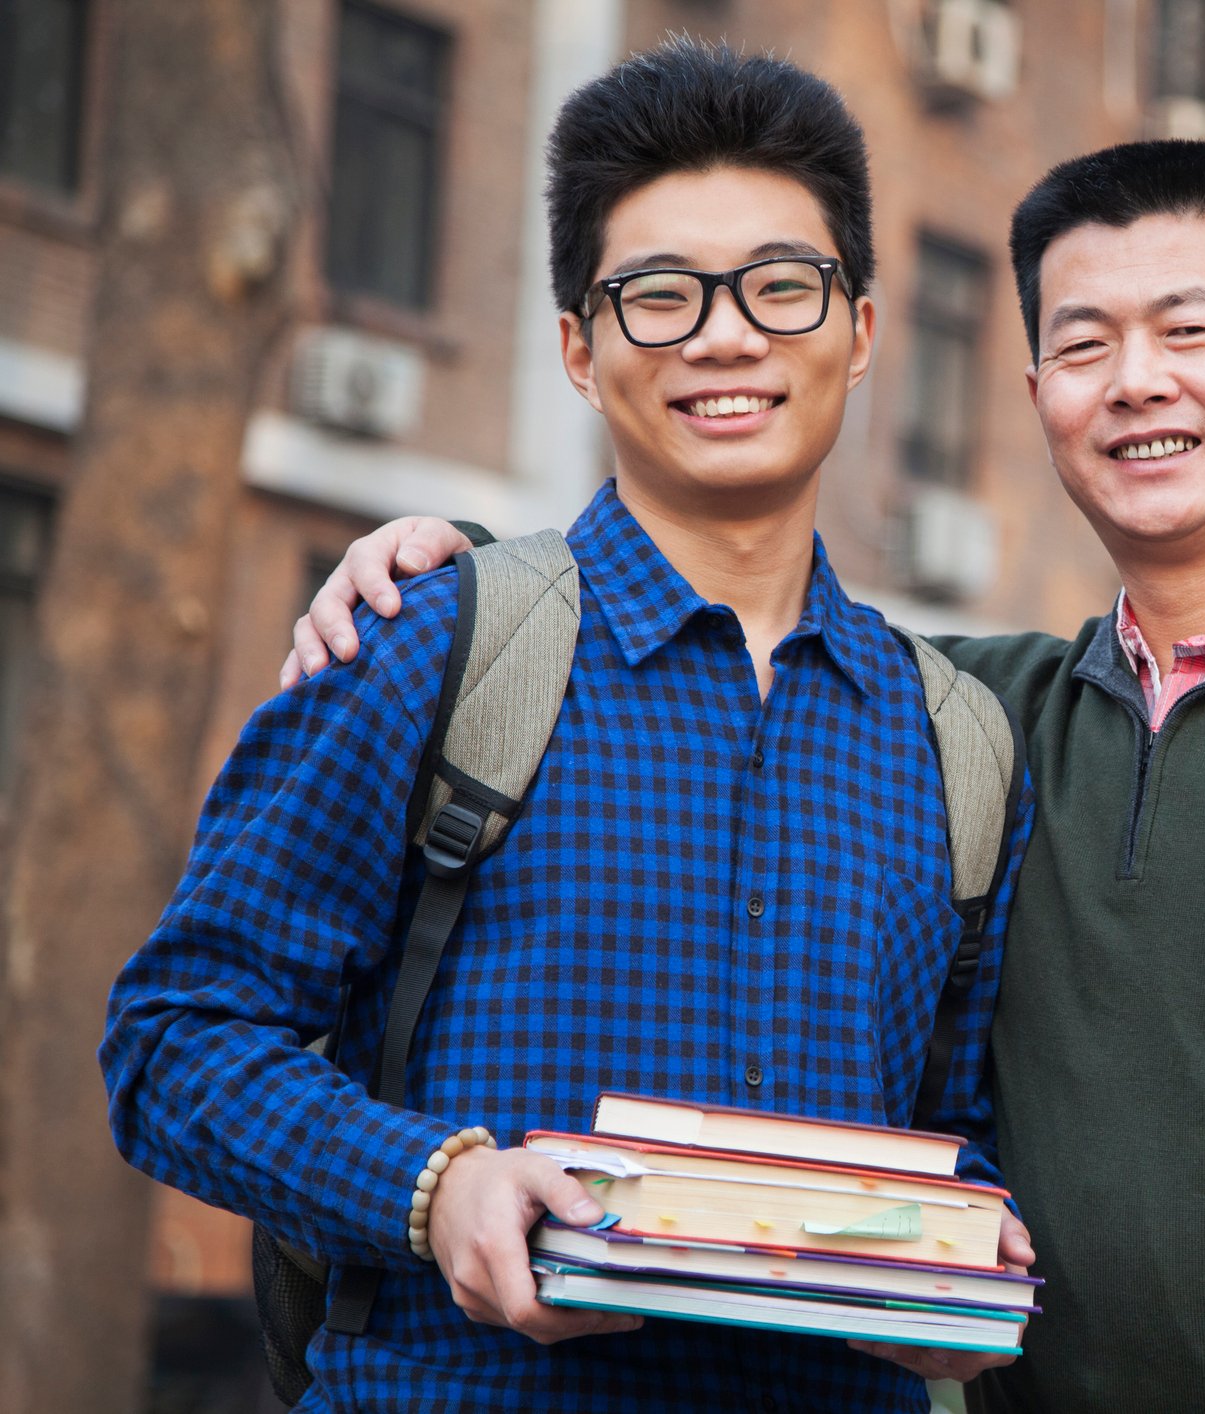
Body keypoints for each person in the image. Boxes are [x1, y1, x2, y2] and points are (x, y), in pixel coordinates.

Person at [293, 141, 1205, 1412]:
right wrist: (455, 565)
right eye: (1083, 344)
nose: (1135, 382)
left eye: (1187, 331)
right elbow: (728, 631)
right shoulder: (983, 717)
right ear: (1039, 395)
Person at [103, 41, 1033, 1413]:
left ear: (861, 330)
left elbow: (961, 1127)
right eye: (660, 295)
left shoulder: (956, 744)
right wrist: (437, 1187)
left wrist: (964, 1261)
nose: (725, 337)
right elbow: (173, 1039)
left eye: (782, 285)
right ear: (579, 351)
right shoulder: (432, 647)